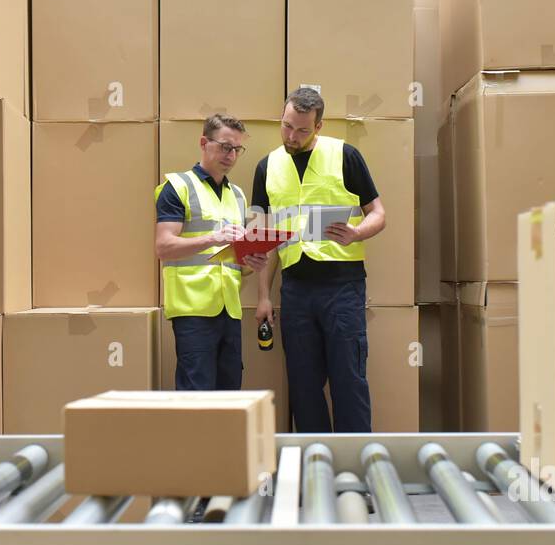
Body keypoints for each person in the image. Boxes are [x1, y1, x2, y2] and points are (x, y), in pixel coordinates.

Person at [245, 88, 387, 431]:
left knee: (348, 380)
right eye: (287, 126)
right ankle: (314, 464)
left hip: (343, 286)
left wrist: (357, 233)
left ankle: (355, 466)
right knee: (303, 385)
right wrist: (264, 296)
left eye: (302, 130)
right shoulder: (267, 167)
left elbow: (379, 214)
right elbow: (263, 240)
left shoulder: (345, 155)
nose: (292, 136)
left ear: (319, 126)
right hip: (295, 290)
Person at [154, 114, 266, 390]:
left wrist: (251, 259)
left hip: (230, 310)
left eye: (237, 149)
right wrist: (213, 237)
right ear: (204, 143)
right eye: (225, 146)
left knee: (230, 395)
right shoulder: (177, 187)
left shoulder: (237, 195)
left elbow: (235, 261)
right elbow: (164, 247)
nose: (231, 155)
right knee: (197, 395)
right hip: (192, 309)